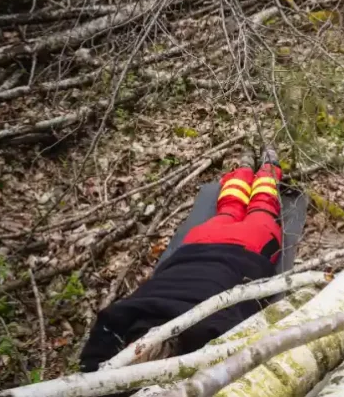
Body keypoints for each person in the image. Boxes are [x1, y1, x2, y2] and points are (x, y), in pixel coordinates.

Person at [78, 151, 285, 372]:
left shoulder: (215, 334)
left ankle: (266, 167)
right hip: (199, 243)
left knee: (263, 205)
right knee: (230, 207)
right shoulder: (126, 314)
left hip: (247, 247)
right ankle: (246, 168)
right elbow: (92, 359)